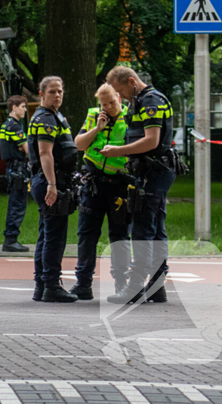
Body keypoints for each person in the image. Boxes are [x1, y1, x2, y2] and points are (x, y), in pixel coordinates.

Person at [101, 66, 176, 305]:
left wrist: (117, 151)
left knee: (143, 231)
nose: (119, 96)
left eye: (120, 90)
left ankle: (134, 288)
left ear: (132, 81)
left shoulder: (150, 101)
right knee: (155, 231)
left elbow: (151, 140)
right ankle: (156, 287)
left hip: (153, 173)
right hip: (148, 172)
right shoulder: (140, 100)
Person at [70, 83, 132, 301]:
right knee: (87, 235)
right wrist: (97, 128)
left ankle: (122, 285)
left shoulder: (130, 117)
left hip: (119, 186)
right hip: (94, 183)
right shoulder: (94, 116)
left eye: (112, 102)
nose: (108, 107)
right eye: (104, 104)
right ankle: (83, 284)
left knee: (119, 236)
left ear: (119, 98)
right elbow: (78, 144)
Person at [28, 76, 79, 303]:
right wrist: (52, 184)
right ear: (42, 94)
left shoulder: (55, 117)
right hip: (50, 181)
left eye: (60, 91)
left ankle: (42, 285)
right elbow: (45, 153)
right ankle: (51, 285)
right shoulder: (46, 118)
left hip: (52, 180)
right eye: (52, 92)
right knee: (54, 237)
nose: (57, 95)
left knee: (47, 235)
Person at [0, 95, 30, 253]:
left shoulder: (6, 125)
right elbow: (28, 150)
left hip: (12, 168)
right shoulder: (15, 127)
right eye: (23, 106)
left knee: (14, 203)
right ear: (14, 108)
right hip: (18, 169)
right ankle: (11, 240)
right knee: (17, 205)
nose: (25, 109)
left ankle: (10, 239)